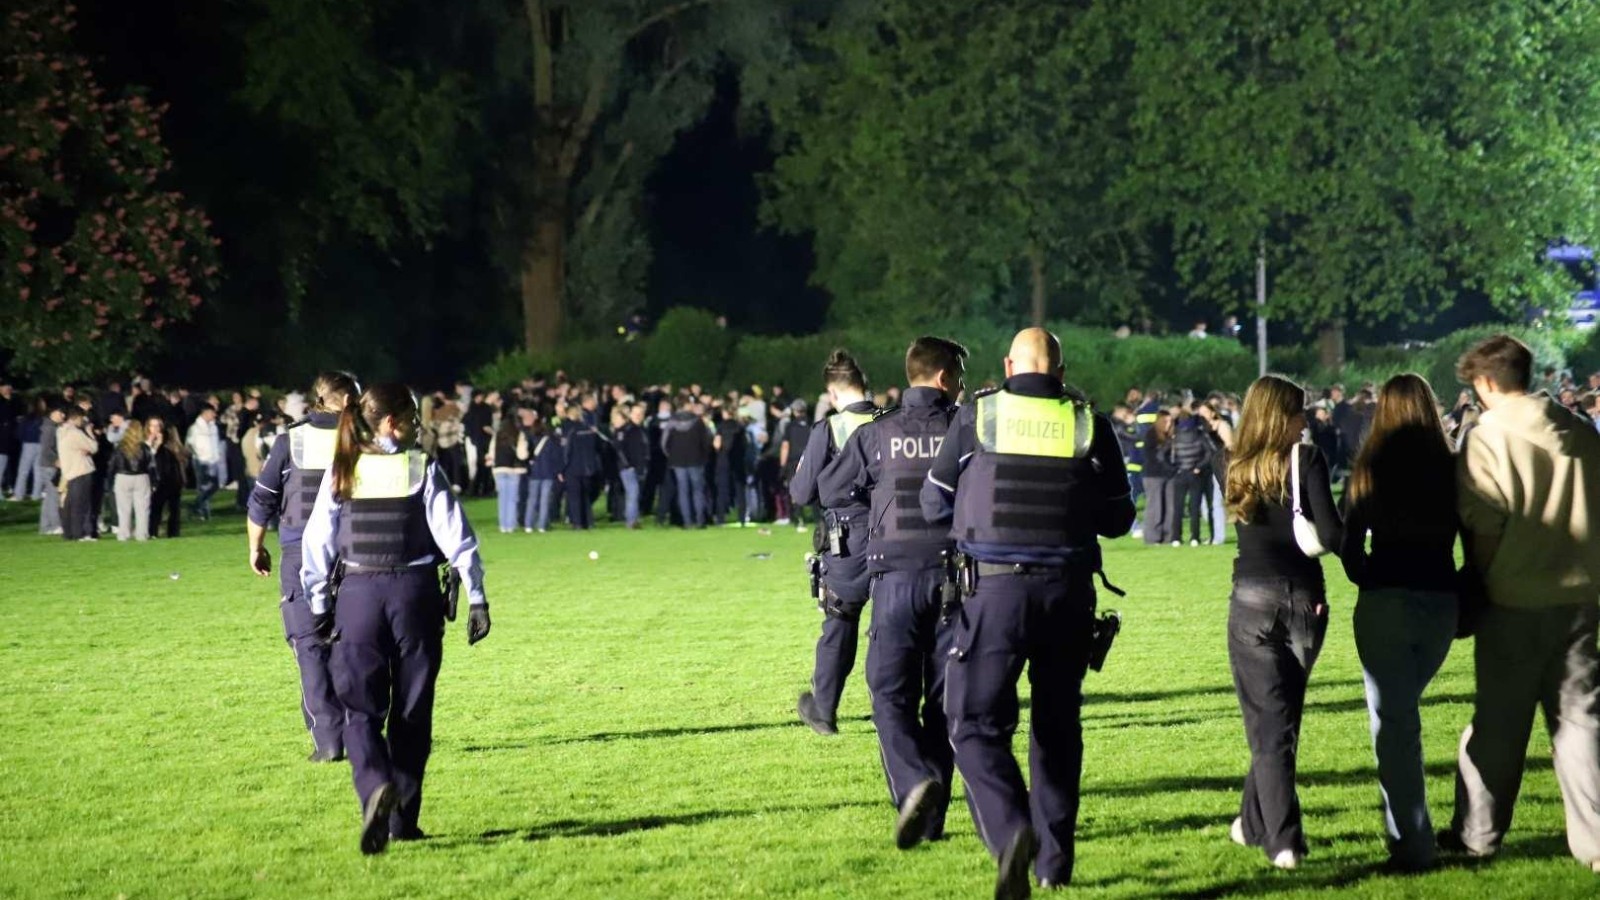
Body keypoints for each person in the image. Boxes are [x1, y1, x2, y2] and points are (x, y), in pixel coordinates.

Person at [919, 327, 1134, 896]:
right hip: (1068, 592)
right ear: (1060, 372)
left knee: (970, 723)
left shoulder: (978, 418)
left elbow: (931, 501)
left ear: (1009, 365)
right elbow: (1118, 518)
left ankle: (1012, 828)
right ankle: (1053, 865)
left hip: (993, 592)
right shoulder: (1090, 424)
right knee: (1057, 729)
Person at [301, 382, 491, 855]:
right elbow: (457, 536)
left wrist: (320, 607)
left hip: (359, 597)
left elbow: (317, 545)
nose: (416, 427)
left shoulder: (341, 470)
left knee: (361, 710)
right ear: (389, 423)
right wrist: (478, 598)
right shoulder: (419, 467)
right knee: (412, 712)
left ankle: (373, 788)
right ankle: (403, 819)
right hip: (414, 596)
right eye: (410, 419)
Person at [1444, 334, 1600, 872]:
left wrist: (1481, 584)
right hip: (1579, 596)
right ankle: (1596, 842)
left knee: (1498, 725)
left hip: (1511, 598)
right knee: (1580, 722)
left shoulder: (1486, 438)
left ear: (1486, 381)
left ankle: (1478, 835)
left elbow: (1483, 527)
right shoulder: (1579, 431)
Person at [817, 335, 967, 849]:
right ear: (946, 379)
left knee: (888, 694)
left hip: (896, 579)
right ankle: (934, 815)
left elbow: (833, 490)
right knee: (944, 703)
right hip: (957, 579)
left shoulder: (876, 433)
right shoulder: (963, 430)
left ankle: (911, 786)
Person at [1337, 373, 1460, 871]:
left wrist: (1368, 576)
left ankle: (1411, 839)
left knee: (1394, 725)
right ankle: (1420, 833)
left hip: (1386, 596)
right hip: (1438, 596)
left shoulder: (1370, 467)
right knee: (1403, 716)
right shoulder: (1453, 469)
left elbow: (1349, 547)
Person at [1222, 374, 1343, 870]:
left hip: (1251, 599)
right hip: (1304, 602)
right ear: (1282, 415)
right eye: (1299, 413)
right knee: (1279, 723)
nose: (1305, 421)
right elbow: (1332, 535)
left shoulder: (1228, 463)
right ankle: (1272, 832)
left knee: (1273, 724)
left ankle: (1269, 831)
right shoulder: (1307, 461)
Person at [246, 372, 360, 763]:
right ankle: (358, 729)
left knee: (309, 646)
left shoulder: (290, 440)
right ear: (346, 401)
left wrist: (256, 548)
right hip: (355, 555)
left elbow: (261, 501)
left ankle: (328, 740)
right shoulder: (365, 440)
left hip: (299, 554)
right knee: (353, 643)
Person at [791, 350, 880, 735]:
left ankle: (824, 709)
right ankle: (892, 708)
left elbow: (800, 491)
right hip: (894, 532)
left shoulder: (828, 430)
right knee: (893, 625)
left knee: (840, 621)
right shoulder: (889, 422)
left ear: (832, 392)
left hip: (847, 538)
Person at [663, 400, 713, 528]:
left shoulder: (671, 422)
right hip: (696, 460)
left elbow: (664, 443)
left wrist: (671, 455)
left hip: (677, 461)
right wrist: (704, 456)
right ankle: (700, 520)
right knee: (698, 490)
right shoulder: (697, 421)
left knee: (682, 490)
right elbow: (706, 441)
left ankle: (687, 521)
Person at [1170, 408, 1215, 546]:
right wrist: (1199, 466)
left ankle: (1176, 538)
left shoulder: (1175, 435)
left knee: (1178, 508)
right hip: (1195, 474)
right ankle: (1195, 537)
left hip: (1180, 473)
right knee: (1195, 508)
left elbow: (1164, 455)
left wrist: (1174, 468)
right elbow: (1209, 453)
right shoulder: (1198, 434)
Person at [57, 407, 99, 541]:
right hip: (81, 470)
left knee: (71, 504)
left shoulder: (61, 431)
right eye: (82, 419)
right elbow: (93, 447)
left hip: (69, 472)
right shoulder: (75, 432)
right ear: (77, 418)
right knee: (82, 504)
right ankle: (81, 533)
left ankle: (70, 532)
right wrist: (89, 432)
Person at [110, 419, 156, 541]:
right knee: (142, 509)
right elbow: (151, 466)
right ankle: (142, 534)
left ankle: (123, 534)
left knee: (123, 509)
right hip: (141, 477)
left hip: (123, 477)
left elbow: (112, 465)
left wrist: (110, 481)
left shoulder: (120, 447)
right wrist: (154, 481)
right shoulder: (144, 447)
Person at [524, 409, 564, 533]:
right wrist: (559, 471)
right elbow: (556, 457)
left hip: (535, 472)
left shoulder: (531, 439)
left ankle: (528, 525)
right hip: (548, 473)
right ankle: (542, 525)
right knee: (545, 500)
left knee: (532, 499)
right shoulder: (551, 440)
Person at [1140, 411, 1176, 545]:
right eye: (1165, 421)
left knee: (1170, 506)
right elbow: (1153, 457)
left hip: (1170, 474)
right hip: (1153, 474)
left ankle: (1169, 536)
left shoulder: (1172, 435)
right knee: (1155, 506)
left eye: (1170, 421)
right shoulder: (1151, 434)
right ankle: (1152, 537)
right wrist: (1166, 446)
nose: (1168, 424)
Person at [148, 416, 184, 538]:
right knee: (156, 508)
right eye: (153, 426)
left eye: (158, 426)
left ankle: (172, 533)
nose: (156, 429)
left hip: (171, 479)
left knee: (173, 509)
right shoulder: (147, 444)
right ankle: (153, 531)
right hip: (157, 480)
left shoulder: (169, 444)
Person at [490, 412, 526, 534]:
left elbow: (491, 454)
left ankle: (502, 525)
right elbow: (522, 454)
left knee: (502, 498)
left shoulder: (497, 435)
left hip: (499, 469)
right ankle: (510, 525)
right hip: (513, 470)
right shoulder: (518, 435)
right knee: (512, 499)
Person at [186, 404, 223, 521]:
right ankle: (204, 513)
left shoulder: (213, 427)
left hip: (213, 460)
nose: (215, 415)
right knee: (203, 487)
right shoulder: (195, 428)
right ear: (205, 413)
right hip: (201, 461)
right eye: (212, 412)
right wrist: (197, 456)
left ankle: (195, 505)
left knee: (214, 485)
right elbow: (189, 445)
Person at [616, 404, 649, 529]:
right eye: (636, 413)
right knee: (633, 493)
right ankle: (631, 521)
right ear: (630, 414)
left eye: (641, 413)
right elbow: (619, 449)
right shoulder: (625, 429)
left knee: (635, 493)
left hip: (639, 466)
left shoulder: (641, 429)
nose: (639, 416)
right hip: (628, 468)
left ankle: (633, 518)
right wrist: (627, 464)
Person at [38, 403, 64, 535]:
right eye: (60, 413)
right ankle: (55, 525)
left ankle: (45, 526)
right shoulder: (50, 428)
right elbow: (47, 449)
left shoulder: (51, 427)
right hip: (50, 466)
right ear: (53, 413)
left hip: (47, 465)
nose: (63, 415)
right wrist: (56, 460)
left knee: (49, 496)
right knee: (53, 496)